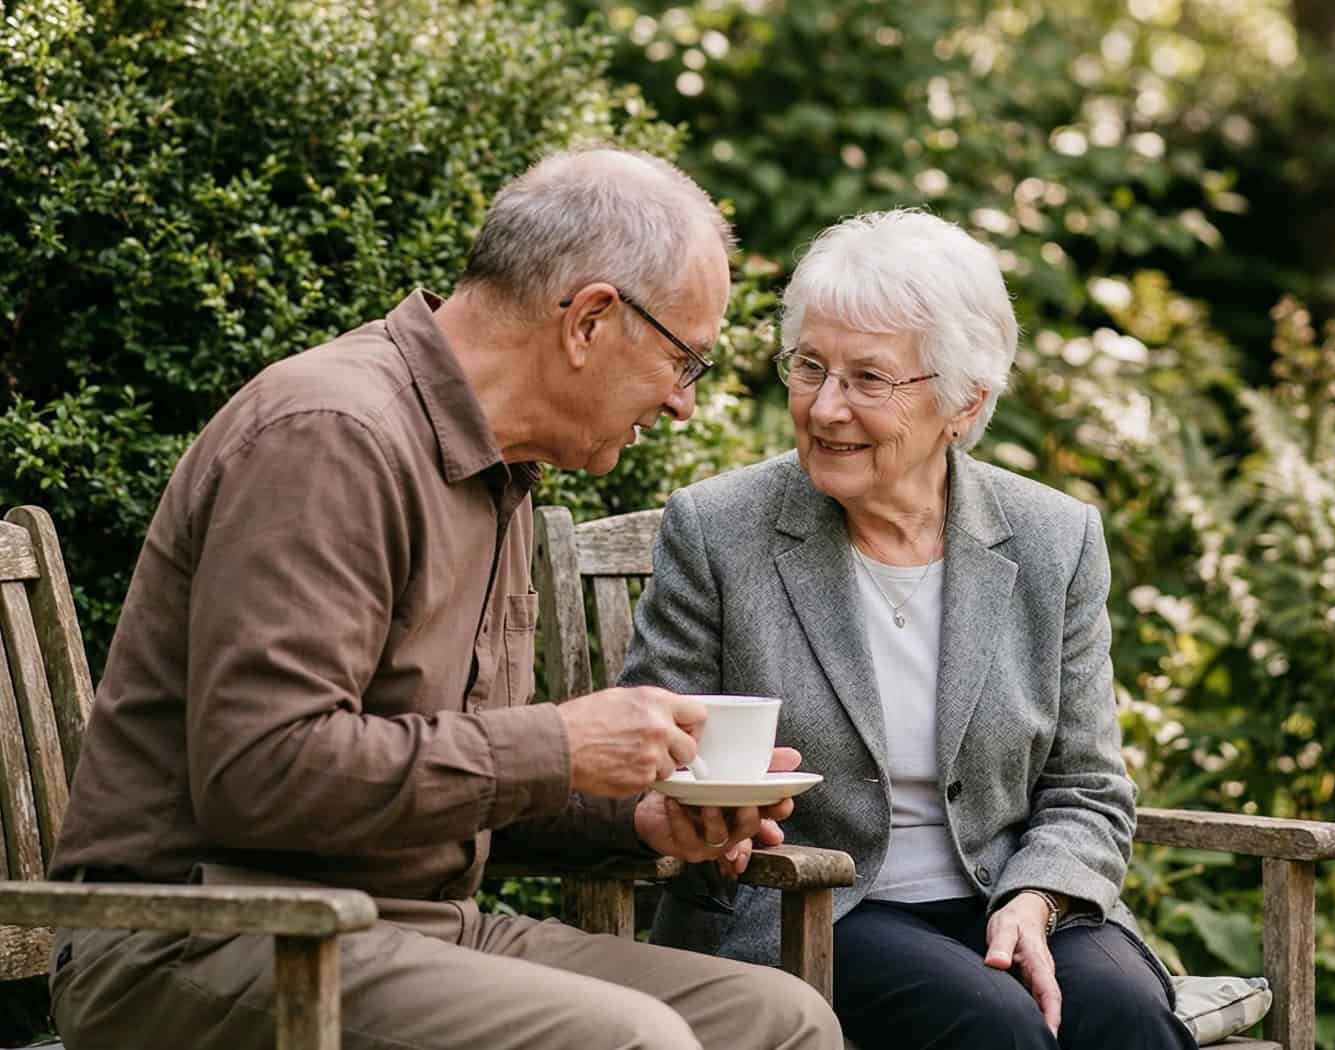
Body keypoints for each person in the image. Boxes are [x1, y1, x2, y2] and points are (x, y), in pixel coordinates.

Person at [46, 147, 843, 1050]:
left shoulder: (498, 469)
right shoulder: (332, 436)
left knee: (778, 1020)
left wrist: (640, 812)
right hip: (203, 941)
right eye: (683, 360)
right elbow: (259, 774)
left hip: (413, 929)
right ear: (589, 319)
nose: (681, 405)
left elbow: (442, 768)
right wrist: (560, 743)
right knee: (632, 1043)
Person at [620, 209, 1197, 1050]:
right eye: (810, 366)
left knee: (1124, 1016)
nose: (825, 407)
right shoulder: (720, 529)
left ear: (965, 404)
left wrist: (1035, 900)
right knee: (993, 1025)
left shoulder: (1053, 539)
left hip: (1009, 893)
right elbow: (649, 746)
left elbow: (1088, 788)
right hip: (815, 905)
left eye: (868, 379)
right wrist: (712, 811)